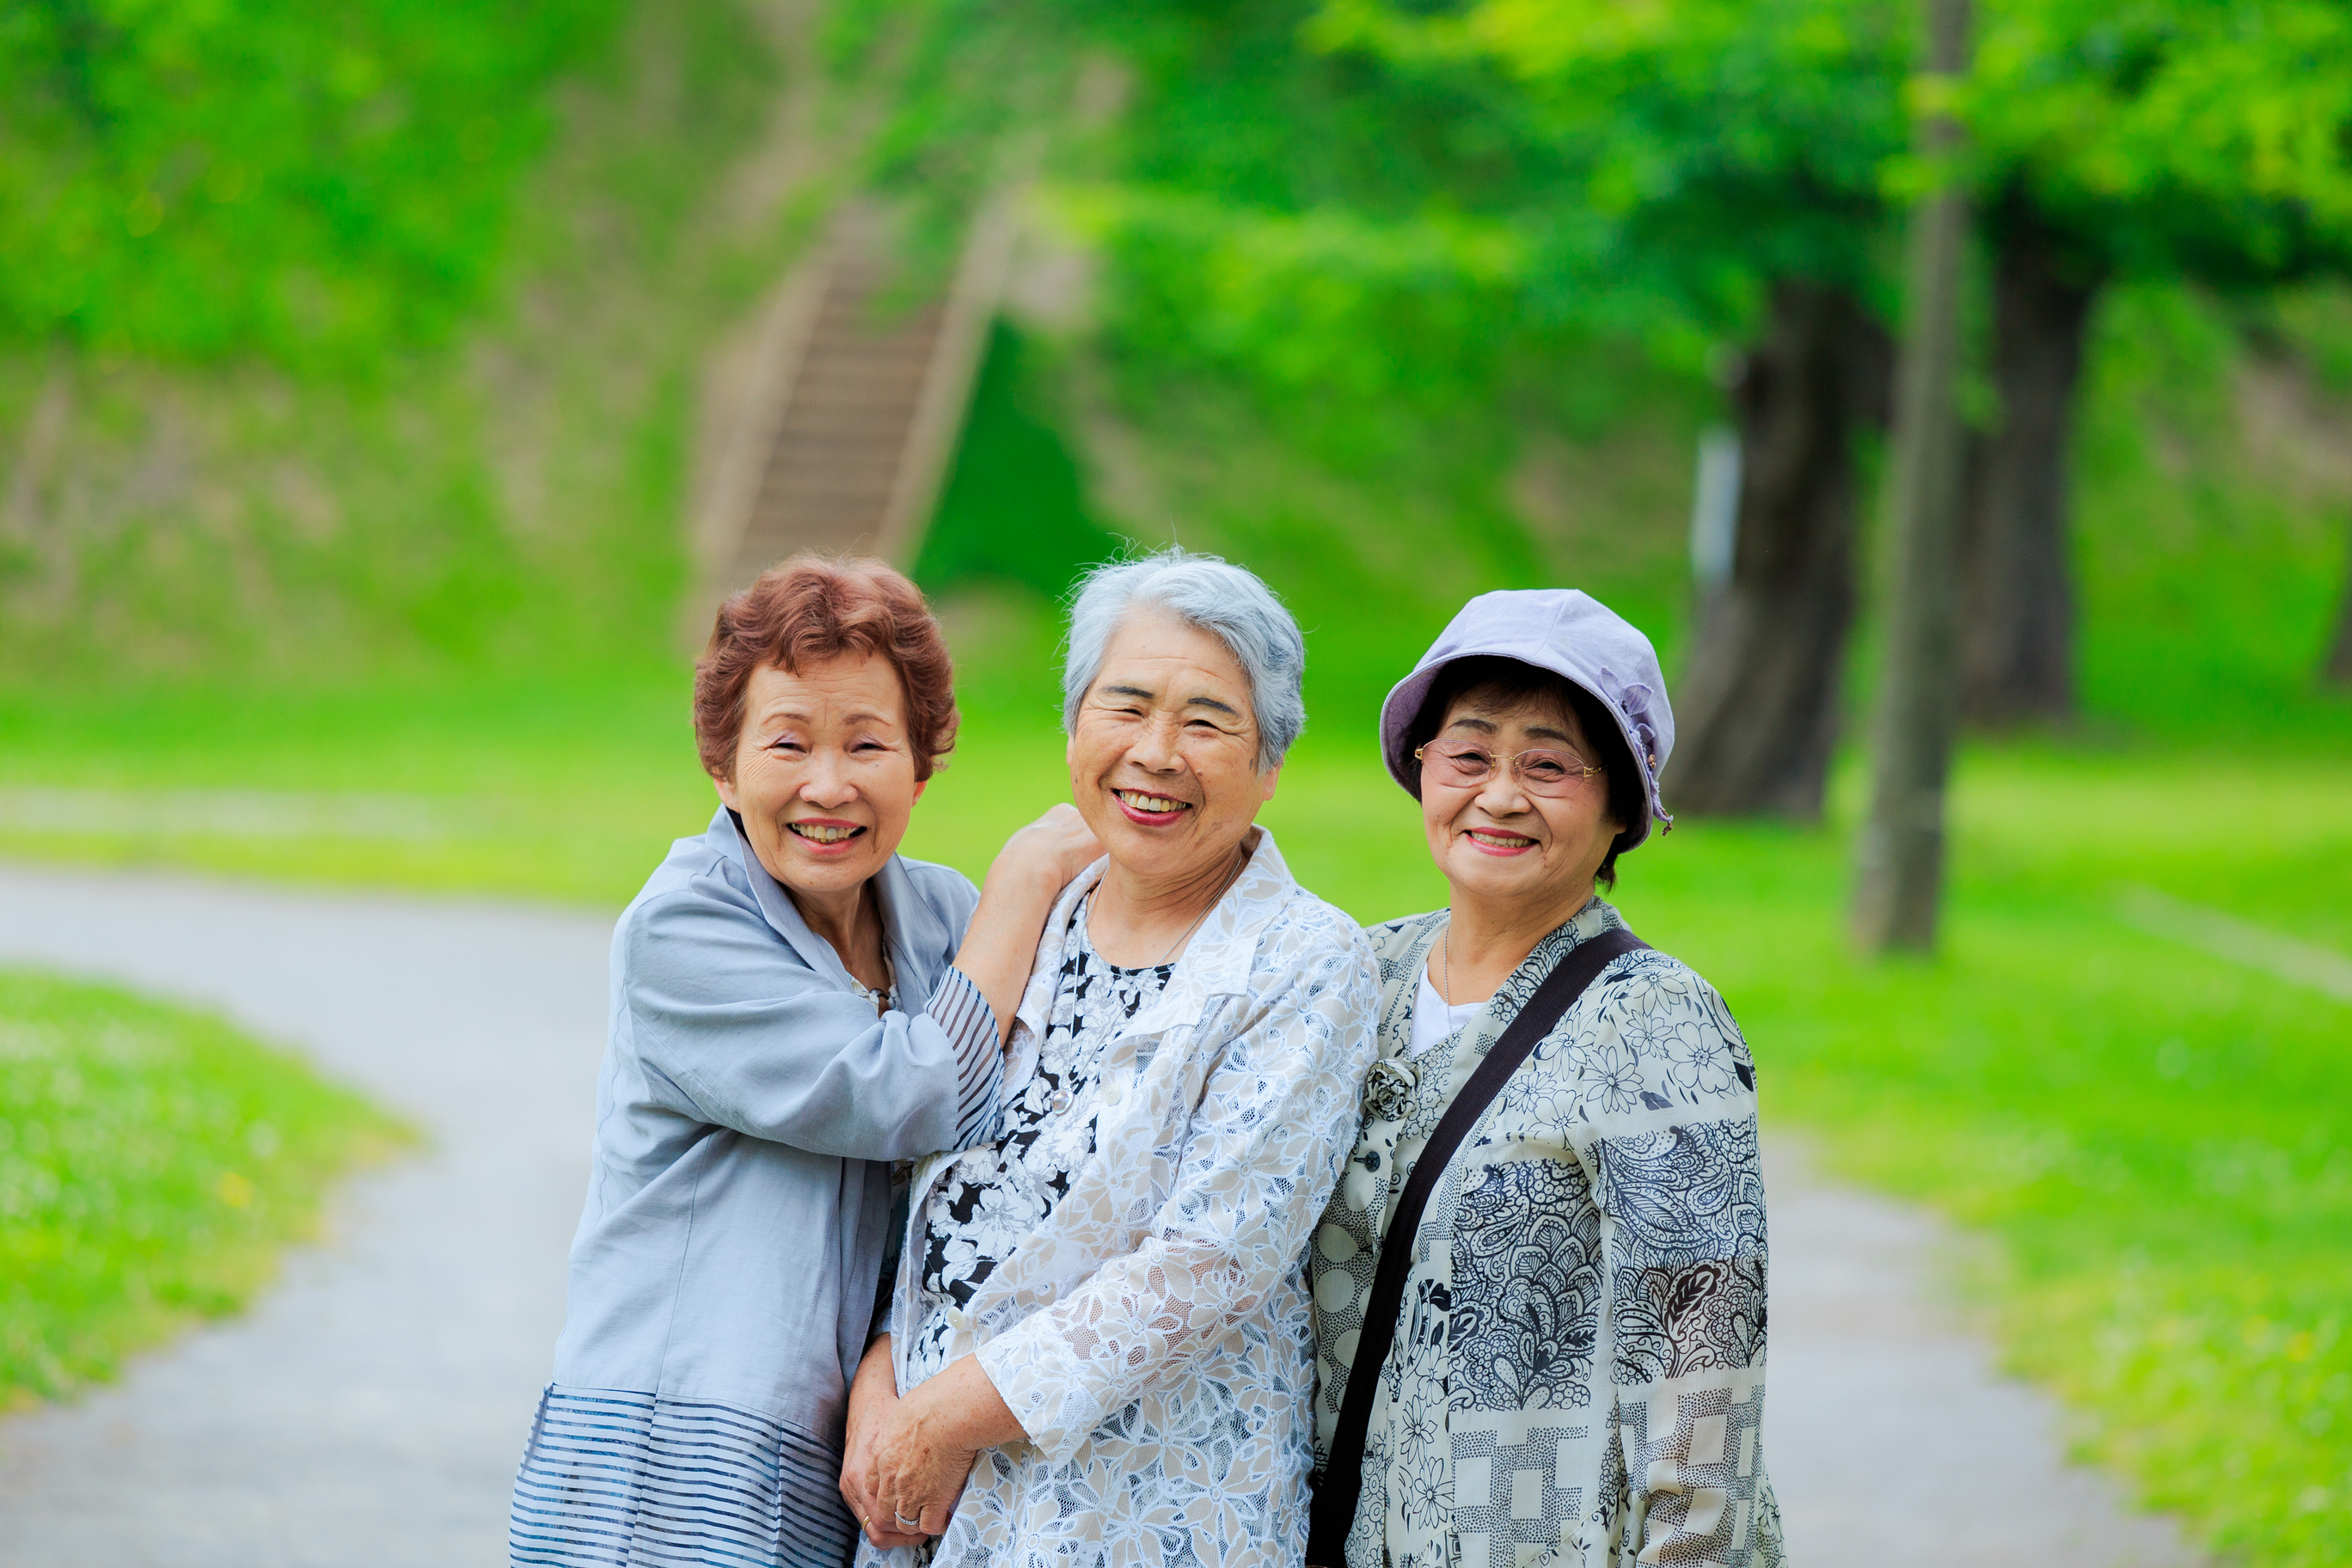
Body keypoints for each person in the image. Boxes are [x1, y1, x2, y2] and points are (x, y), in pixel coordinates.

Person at [509, 554, 1099, 1568]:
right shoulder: (683, 928)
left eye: (868, 741)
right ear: (724, 768)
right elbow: (910, 1095)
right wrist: (1030, 875)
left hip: (842, 1455)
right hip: (666, 1456)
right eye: (788, 742)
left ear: (921, 764)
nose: (829, 784)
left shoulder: (942, 920)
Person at [838, 548, 1381, 1567]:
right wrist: (882, 1379)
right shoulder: (1026, 922)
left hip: (1134, 1512)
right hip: (932, 1514)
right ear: (1075, 723)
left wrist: (935, 1419)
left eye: (1208, 721)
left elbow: (1206, 1264)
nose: (1157, 752)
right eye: (1125, 706)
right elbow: (925, 1175)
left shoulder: (1306, 960)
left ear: (1270, 762)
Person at [1308, 590, 1784, 1568]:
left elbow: (1705, 1379)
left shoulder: (1654, 1023)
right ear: (1422, 770)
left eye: (1550, 766)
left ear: (1620, 809)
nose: (1500, 794)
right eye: (1470, 754)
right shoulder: (1355, 977)